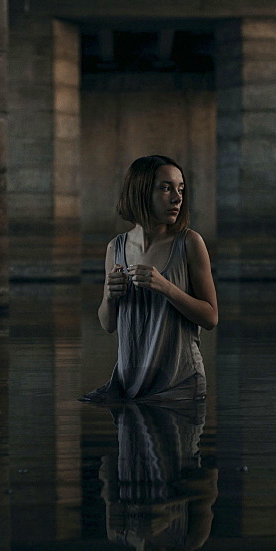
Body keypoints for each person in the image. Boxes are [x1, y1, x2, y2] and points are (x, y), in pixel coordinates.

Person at [81, 155, 217, 403]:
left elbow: (210, 318)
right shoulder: (116, 247)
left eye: (181, 189)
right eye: (166, 188)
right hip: (129, 384)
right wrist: (109, 298)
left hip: (179, 386)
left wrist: (166, 287)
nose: (177, 198)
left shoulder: (189, 243)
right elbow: (108, 325)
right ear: (141, 192)